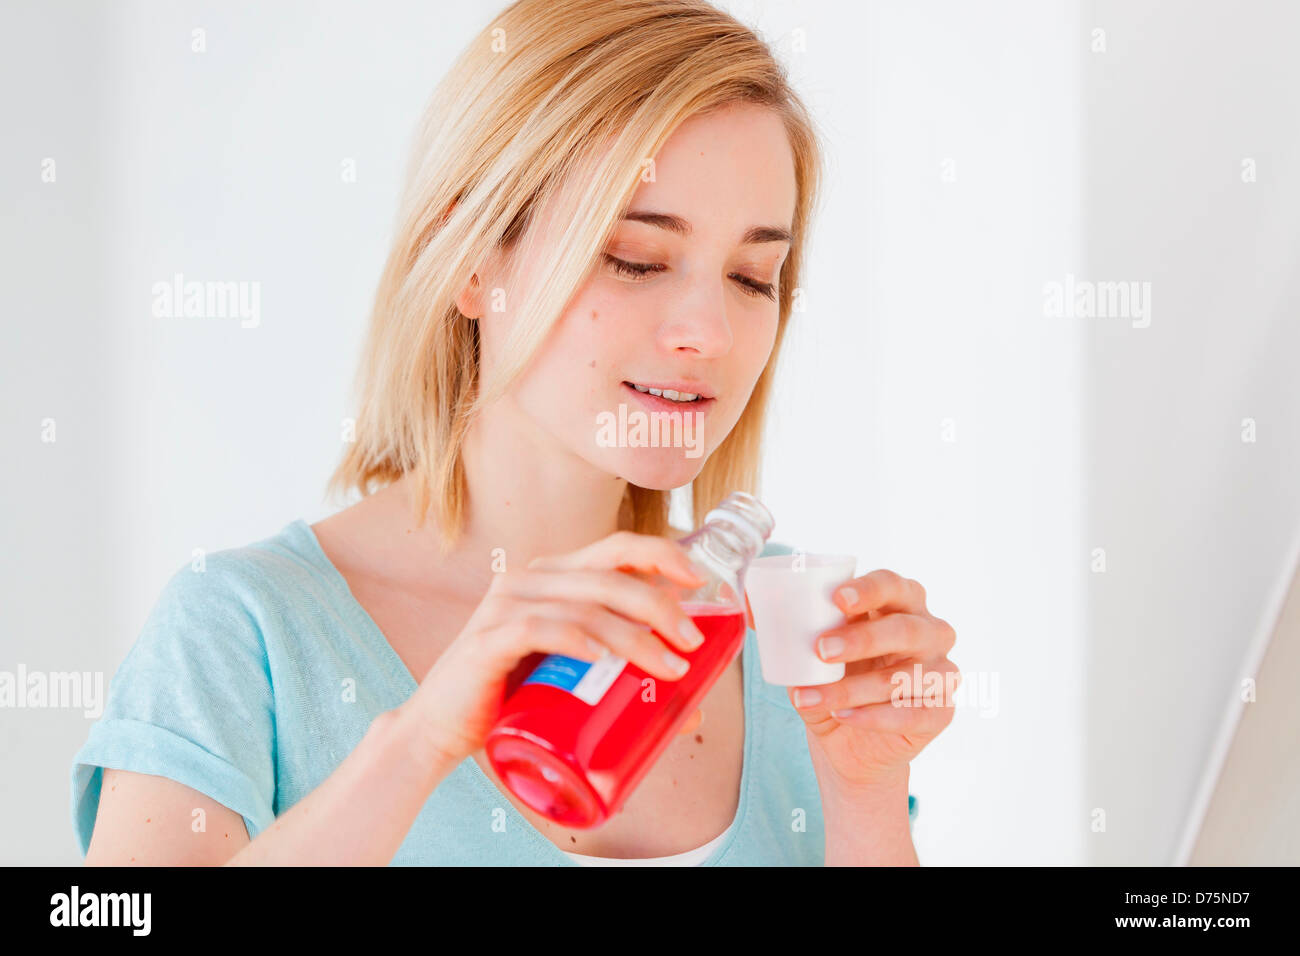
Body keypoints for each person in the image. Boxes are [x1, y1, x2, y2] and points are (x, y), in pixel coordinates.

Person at [71, 0, 957, 866]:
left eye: (754, 276)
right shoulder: (243, 632)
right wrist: (419, 745)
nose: (711, 333)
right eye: (637, 259)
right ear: (470, 259)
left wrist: (865, 798)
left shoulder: (791, 643)